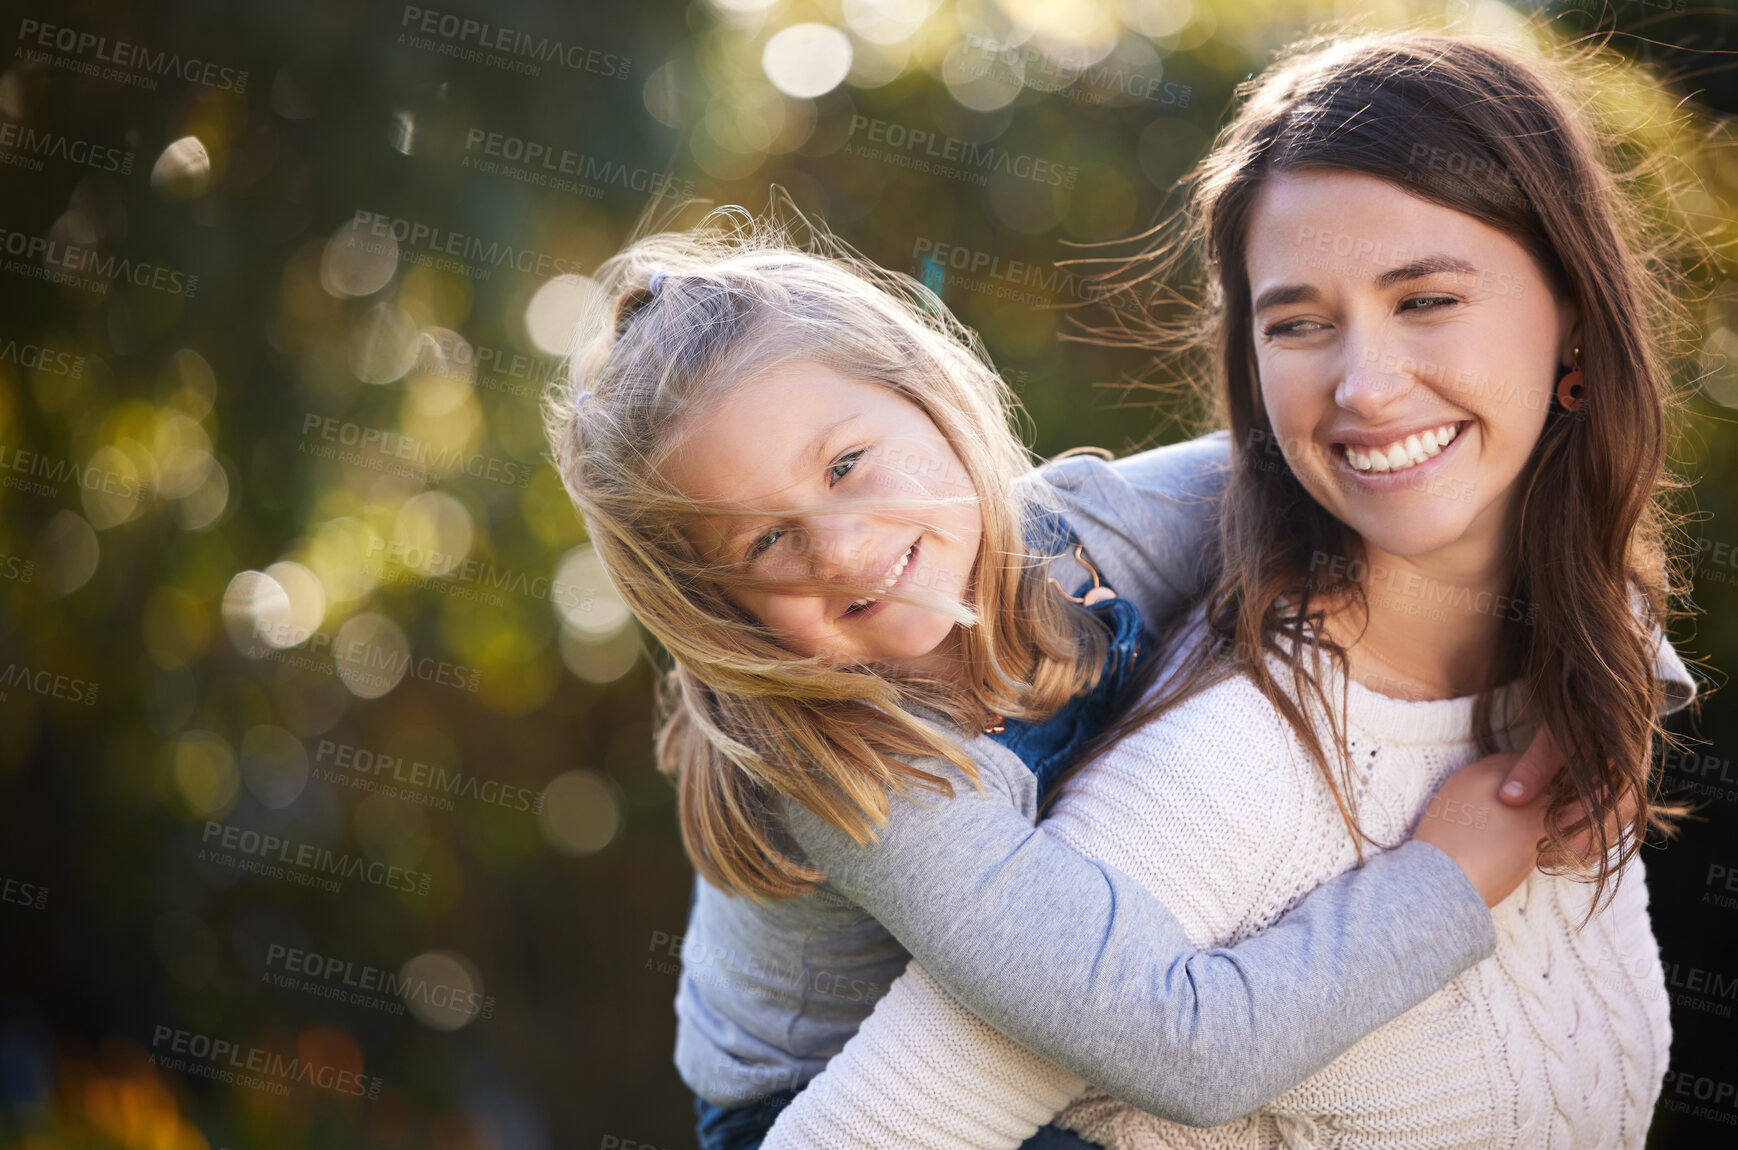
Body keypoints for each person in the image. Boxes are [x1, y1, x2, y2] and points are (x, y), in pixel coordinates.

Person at [756, 28, 1704, 1149]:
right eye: (1297, 323)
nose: (1362, 383)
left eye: (1426, 299)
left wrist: (1621, 682)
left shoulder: (1572, 670)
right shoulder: (1221, 779)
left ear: (1577, 327)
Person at [541, 198, 1643, 1150]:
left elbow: (1400, 482)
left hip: (1057, 997)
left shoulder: (1090, 534)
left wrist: (1614, 694)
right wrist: (1443, 880)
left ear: (930, 400)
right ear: (717, 608)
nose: (837, 544)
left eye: (845, 464)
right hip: (827, 1101)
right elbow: (1188, 1046)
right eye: (763, 545)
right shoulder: (860, 770)